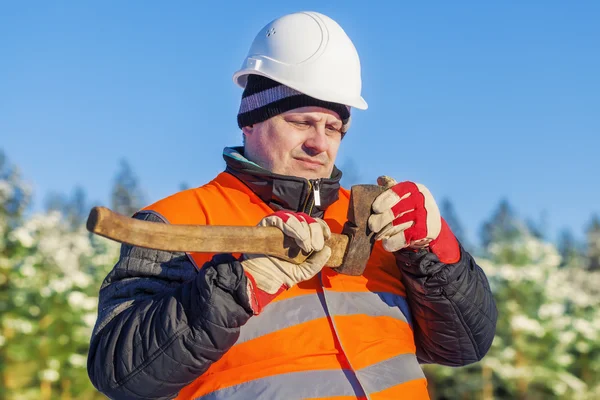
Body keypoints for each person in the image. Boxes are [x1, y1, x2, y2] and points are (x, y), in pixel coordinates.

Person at [87, 11, 497, 400]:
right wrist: (237, 286)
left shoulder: (376, 222)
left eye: (333, 126)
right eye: (301, 122)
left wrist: (434, 251)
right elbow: (120, 374)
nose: (320, 142)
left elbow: (464, 346)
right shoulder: (178, 220)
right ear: (250, 120)